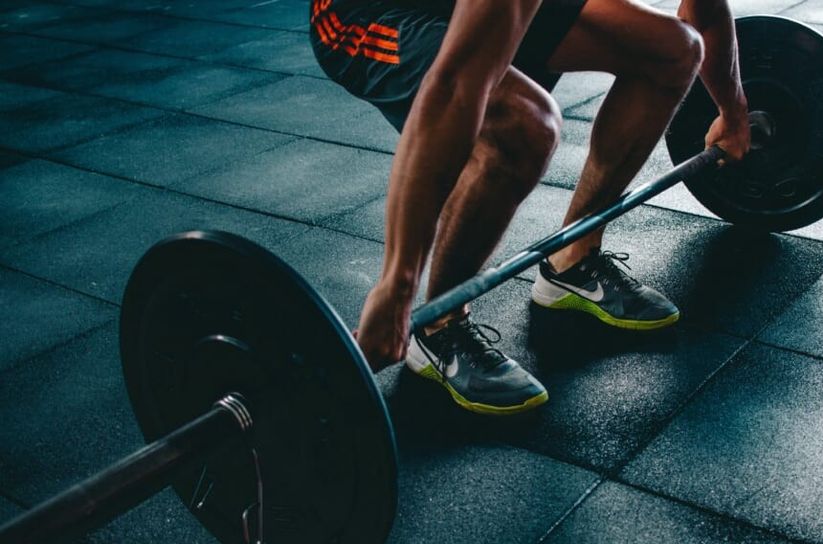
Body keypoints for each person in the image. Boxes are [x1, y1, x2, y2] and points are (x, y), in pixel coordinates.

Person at [310, 0, 750, 414]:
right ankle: (439, 326)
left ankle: (572, 259)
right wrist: (397, 285)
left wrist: (733, 111)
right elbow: (456, 86)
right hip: (367, 12)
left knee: (673, 50)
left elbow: (704, 13)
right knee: (524, 124)